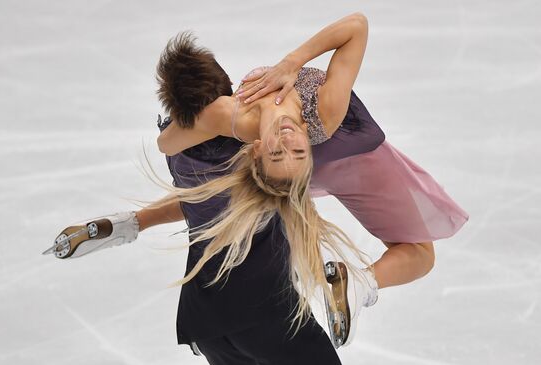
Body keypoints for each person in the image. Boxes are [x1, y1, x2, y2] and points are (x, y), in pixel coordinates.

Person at [44, 12, 468, 365]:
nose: (286, 141)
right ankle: (359, 283)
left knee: (217, 189)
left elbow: (166, 141)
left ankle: (128, 224)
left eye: (278, 150)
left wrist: (280, 75)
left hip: (213, 313)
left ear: (257, 152)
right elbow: (356, 26)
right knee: (419, 252)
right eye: (293, 152)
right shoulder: (317, 113)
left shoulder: (232, 129)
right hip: (359, 163)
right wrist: (267, 88)